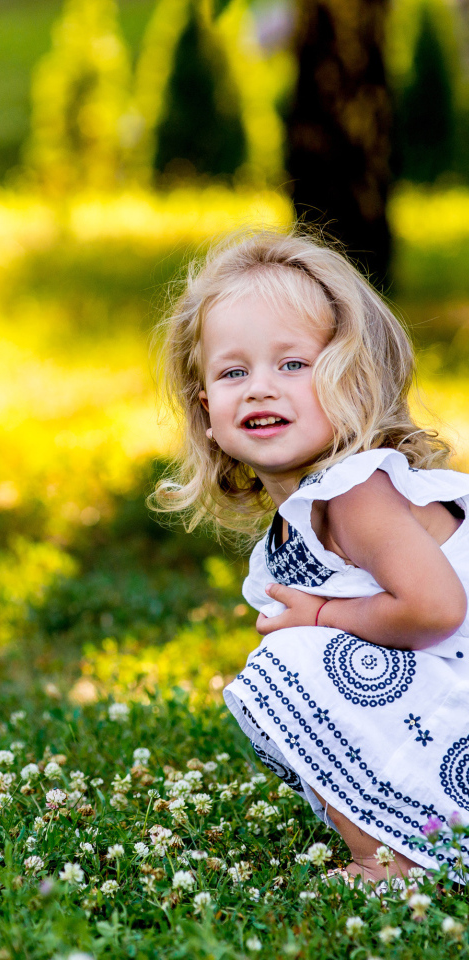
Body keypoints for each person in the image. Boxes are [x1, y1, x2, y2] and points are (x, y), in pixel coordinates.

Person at [151, 228, 469, 885]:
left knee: (289, 663)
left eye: (292, 365)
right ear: (207, 408)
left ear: (350, 381)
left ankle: (391, 860)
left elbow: (437, 608)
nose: (260, 389)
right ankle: (410, 827)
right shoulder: (310, 514)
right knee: (292, 671)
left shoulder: (356, 493)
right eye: (233, 372)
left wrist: (322, 616)